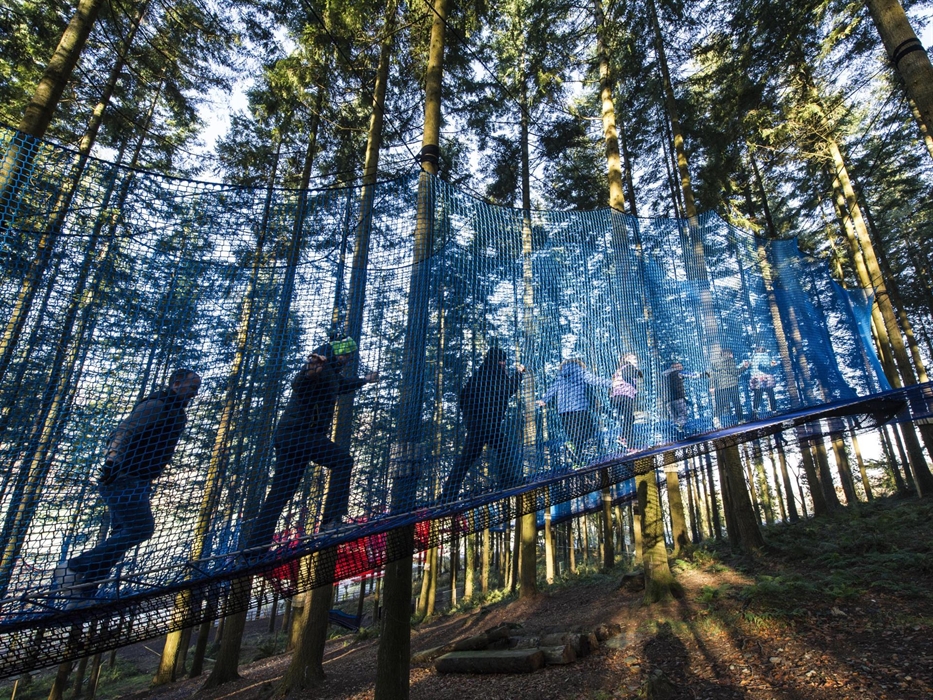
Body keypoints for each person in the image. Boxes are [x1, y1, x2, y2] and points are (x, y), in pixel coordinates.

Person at [54, 368, 202, 599]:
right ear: (176, 384)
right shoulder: (157, 405)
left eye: (197, 389)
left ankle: (83, 593)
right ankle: (74, 567)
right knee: (141, 529)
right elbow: (124, 430)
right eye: (192, 387)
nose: (194, 393)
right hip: (123, 478)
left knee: (121, 537)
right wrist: (112, 462)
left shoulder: (176, 412)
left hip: (138, 480)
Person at [245, 337, 379, 555]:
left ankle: (254, 549)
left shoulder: (331, 374)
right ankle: (330, 522)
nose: (347, 359)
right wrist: (310, 372)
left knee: (281, 492)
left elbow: (341, 385)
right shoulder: (320, 366)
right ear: (336, 353)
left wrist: (364, 379)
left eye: (349, 356)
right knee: (343, 461)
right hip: (301, 433)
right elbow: (300, 384)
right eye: (345, 354)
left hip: (292, 437)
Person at [441, 347, 526, 503]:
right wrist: (519, 374)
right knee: (503, 447)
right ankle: (507, 480)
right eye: (502, 361)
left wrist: (470, 418)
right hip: (486, 424)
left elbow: (463, 396)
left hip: (478, 425)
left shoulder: (479, 374)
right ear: (498, 361)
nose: (504, 364)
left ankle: (448, 493)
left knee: (468, 457)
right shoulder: (495, 373)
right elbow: (508, 389)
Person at [537, 358, 611, 454]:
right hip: (579, 407)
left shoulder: (561, 376)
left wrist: (544, 400)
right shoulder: (580, 371)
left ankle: (576, 449)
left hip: (563, 410)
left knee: (572, 432)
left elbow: (553, 388)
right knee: (588, 429)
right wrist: (611, 383)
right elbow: (593, 380)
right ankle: (584, 448)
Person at [661, 359, 705, 430]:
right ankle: (682, 429)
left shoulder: (664, 375)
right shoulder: (678, 372)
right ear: (674, 365)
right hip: (678, 398)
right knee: (682, 415)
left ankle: (676, 430)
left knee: (674, 418)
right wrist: (701, 375)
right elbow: (690, 374)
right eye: (679, 365)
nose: (681, 367)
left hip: (667, 400)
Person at [610, 353, 642, 448]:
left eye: (635, 359)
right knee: (628, 418)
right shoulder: (628, 366)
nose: (635, 361)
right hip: (624, 396)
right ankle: (630, 445)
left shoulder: (620, 369)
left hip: (617, 397)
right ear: (626, 359)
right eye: (632, 358)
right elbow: (638, 374)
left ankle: (623, 437)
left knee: (629, 418)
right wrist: (640, 373)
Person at [711, 348, 749, 425]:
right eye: (731, 353)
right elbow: (735, 372)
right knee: (736, 402)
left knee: (721, 404)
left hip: (721, 386)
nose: (732, 355)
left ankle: (716, 418)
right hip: (732, 385)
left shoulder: (715, 363)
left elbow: (712, 375)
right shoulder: (730, 361)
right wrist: (744, 367)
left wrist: (712, 386)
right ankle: (741, 419)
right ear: (729, 354)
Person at [749, 345, 779, 416]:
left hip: (756, 379)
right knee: (771, 395)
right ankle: (774, 410)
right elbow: (763, 366)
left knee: (757, 396)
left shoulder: (754, 357)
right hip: (765, 378)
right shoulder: (764, 356)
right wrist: (771, 365)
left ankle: (755, 411)